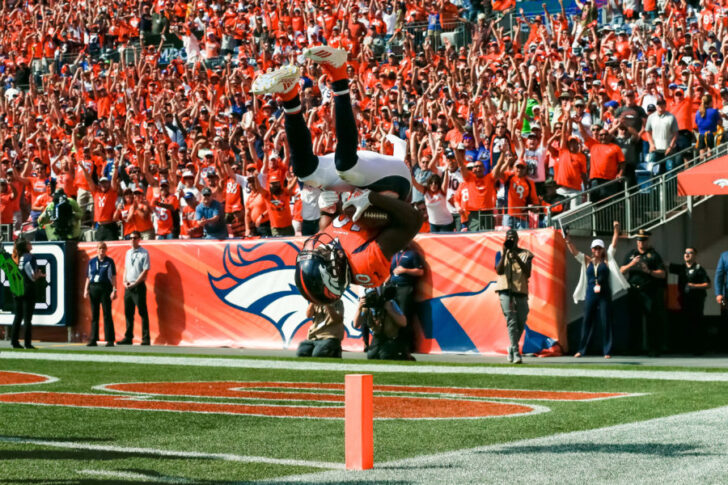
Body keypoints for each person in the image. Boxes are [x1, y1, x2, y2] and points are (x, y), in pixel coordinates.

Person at [252, 46, 420, 304]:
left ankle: (289, 95)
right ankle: (339, 74)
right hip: (395, 182)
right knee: (346, 167)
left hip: (359, 184)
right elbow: (413, 221)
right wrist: (373, 200)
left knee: (306, 172)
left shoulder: (320, 246)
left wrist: (328, 210)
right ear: (334, 274)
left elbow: (327, 225)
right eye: (321, 259)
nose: (318, 251)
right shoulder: (366, 268)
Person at [566, 221, 630, 358]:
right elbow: (574, 252)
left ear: (602, 250)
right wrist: (568, 240)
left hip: (604, 295)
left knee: (606, 322)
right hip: (591, 294)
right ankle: (581, 350)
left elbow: (614, 244)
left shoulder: (607, 260)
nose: (597, 251)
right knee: (587, 322)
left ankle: (607, 351)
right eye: (595, 248)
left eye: (599, 248)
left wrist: (616, 230)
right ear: (591, 249)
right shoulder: (587, 261)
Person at [620, 229, 667, 356]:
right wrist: (632, 263)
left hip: (648, 291)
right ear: (637, 241)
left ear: (648, 241)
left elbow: (662, 274)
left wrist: (649, 271)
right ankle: (634, 348)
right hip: (634, 291)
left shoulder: (654, 255)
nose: (641, 243)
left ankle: (653, 349)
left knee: (651, 321)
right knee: (634, 321)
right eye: (639, 240)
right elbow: (621, 270)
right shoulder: (631, 254)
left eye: (644, 240)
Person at [494, 229, 534, 364]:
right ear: (505, 238)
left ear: (517, 239)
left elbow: (528, 273)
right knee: (511, 322)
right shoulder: (500, 253)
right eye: (509, 237)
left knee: (521, 320)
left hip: (521, 290)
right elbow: (499, 270)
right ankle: (516, 353)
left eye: (513, 237)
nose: (511, 239)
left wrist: (516, 257)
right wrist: (505, 253)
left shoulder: (526, 254)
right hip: (505, 290)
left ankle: (511, 347)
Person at [669, 248, 710, 355]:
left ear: (695, 255)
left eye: (690, 253)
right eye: (685, 253)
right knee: (684, 323)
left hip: (696, 301)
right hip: (684, 300)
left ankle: (698, 349)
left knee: (696, 323)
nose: (687, 255)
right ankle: (686, 348)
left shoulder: (698, 269)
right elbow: (666, 266)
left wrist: (694, 286)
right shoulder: (681, 268)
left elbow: (707, 284)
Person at [353, 286, 408, 360]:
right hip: (377, 338)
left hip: (391, 338)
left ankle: (402, 355)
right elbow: (356, 324)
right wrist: (359, 309)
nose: (372, 299)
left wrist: (390, 310)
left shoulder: (390, 303)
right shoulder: (367, 307)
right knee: (371, 355)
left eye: (374, 295)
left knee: (385, 355)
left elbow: (403, 322)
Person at [9, 238, 44, 349]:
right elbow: (33, 276)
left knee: (17, 316)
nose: (31, 244)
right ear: (25, 246)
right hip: (28, 289)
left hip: (17, 288)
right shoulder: (30, 257)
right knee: (27, 318)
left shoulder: (16, 257)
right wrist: (40, 276)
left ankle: (14, 341)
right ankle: (27, 343)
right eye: (29, 243)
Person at [118, 231, 151, 346]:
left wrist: (136, 283)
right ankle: (128, 337)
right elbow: (126, 268)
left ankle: (146, 338)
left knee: (142, 312)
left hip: (138, 286)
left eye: (134, 238)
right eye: (130, 238)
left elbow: (145, 271)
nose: (132, 240)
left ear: (139, 239)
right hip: (128, 285)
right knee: (128, 312)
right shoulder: (128, 252)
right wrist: (124, 280)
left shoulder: (144, 253)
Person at [83, 241, 117, 347]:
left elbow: (113, 277)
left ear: (106, 250)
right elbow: (88, 277)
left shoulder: (109, 261)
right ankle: (93, 339)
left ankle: (110, 340)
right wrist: (85, 289)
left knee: (107, 313)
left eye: (103, 248)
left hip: (105, 288)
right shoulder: (92, 261)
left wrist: (114, 290)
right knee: (95, 314)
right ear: (96, 250)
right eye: (99, 248)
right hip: (94, 288)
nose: (101, 251)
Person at [714, 249, 728, 352]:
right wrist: (719, 293)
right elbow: (719, 275)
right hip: (725, 297)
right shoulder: (724, 255)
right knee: (725, 316)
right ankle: (723, 346)